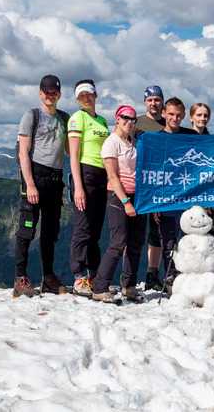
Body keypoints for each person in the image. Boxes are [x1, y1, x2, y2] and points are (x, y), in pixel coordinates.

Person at [13, 74, 69, 297]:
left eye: (54, 92)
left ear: (59, 94)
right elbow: (23, 152)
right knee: (27, 229)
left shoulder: (65, 118)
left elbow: (69, 150)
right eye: (47, 92)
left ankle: (48, 277)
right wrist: (30, 184)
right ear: (40, 93)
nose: (50, 95)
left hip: (55, 179)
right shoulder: (31, 116)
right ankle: (20, 278)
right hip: (35, 175)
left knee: (50, 232)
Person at [92, 105, 146, 304]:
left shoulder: (134, 141)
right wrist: (125, 202)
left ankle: (129, 286)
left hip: (138, 196)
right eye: (125, 118)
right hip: (118, 197)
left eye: (133, 119)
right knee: (118, 242)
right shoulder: (111, 143)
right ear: (117, 118)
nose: (129, 122)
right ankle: (99, 287)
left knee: (136, 242)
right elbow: (113, 177)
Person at [67, 80, 110, 297]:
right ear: (77, 98)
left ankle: (94, 274)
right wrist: (78, 187)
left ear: (95, 95)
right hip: (84, 173)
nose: (86, 98)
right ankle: (78, 276)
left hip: (102, 175)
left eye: (89, 94)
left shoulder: (102, 120)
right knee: (82, 228)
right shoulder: (77, 118)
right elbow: (73, 155)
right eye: (82, 95)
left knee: (95, 229)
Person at [155, 97, 198, 293]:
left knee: (189, 241)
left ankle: (189, 278)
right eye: (171, 114)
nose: (175, 118)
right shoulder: (154, 139)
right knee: (169, 241)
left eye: (179, 115)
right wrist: (154, 204)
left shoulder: (191, 135)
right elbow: (151, 173)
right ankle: (171, 279)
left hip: (189, 199)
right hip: (165, 200)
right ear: (163, 113)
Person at [136, 85, 166, 291]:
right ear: (145, 102)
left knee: (157, 231)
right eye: (150, 100)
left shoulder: (168, 123)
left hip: (163, 183)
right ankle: (128, 275)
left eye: (157, 99)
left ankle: (152, 272)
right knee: (134, 232)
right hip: (138, 182)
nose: (154, 103)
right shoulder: (136, 122)